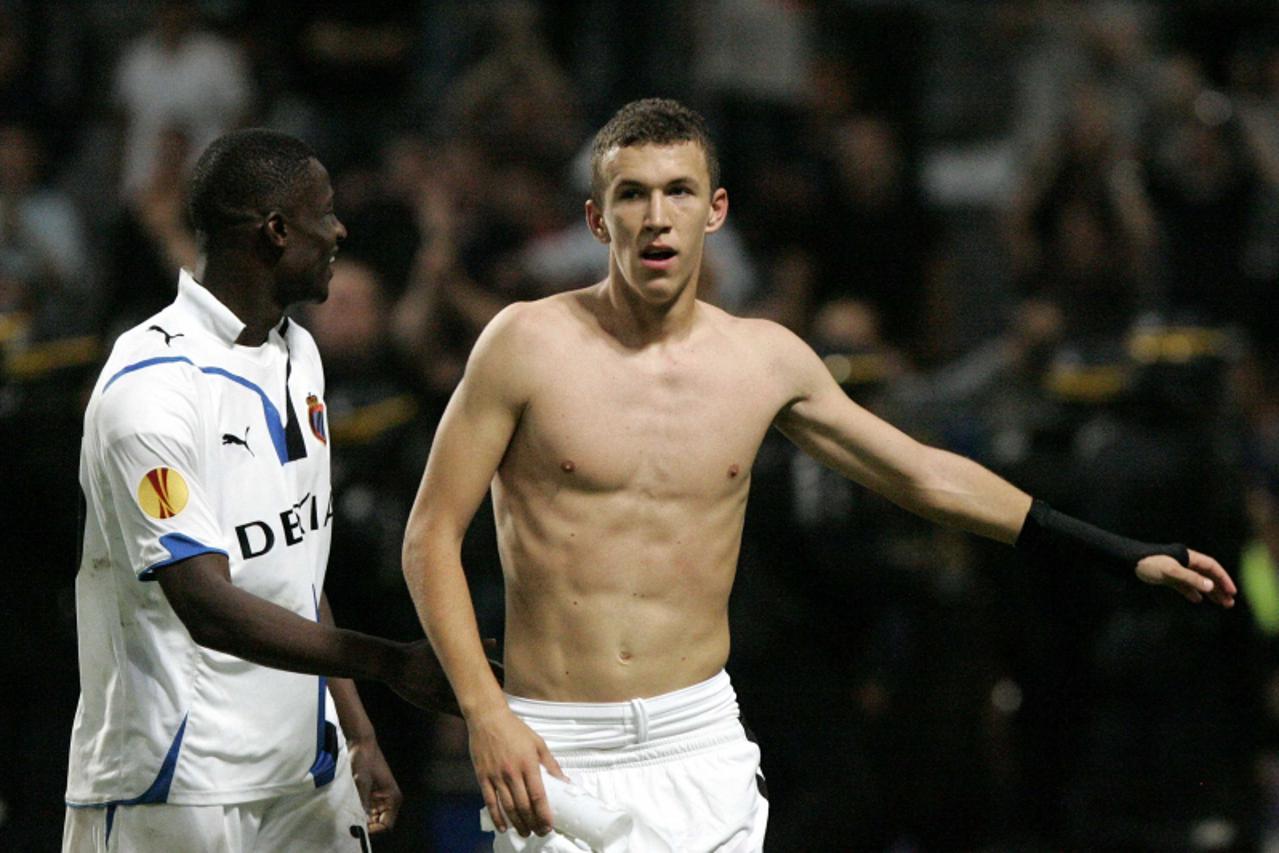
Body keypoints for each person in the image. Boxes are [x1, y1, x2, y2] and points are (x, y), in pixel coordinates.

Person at [400, 98, 1237, 852]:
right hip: (558, 738)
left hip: (699, 735)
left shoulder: (766, 360)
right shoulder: (523, 343)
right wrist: (486, 711)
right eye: (632, 195)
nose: (657, 217)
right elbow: (430, 533)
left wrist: (1120, 551)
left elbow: (923, 475)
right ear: (595, 218)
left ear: (715, 210)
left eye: (680, 192)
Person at [63, 129, 457, 853]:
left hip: (307, 776)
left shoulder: (297, 351)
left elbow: (294, 564)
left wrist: (359, 731)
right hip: (178, 785)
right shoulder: (151, 387)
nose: (340, 229)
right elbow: (206, 604)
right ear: (276, 230)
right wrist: (391, 662)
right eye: (325, 211)